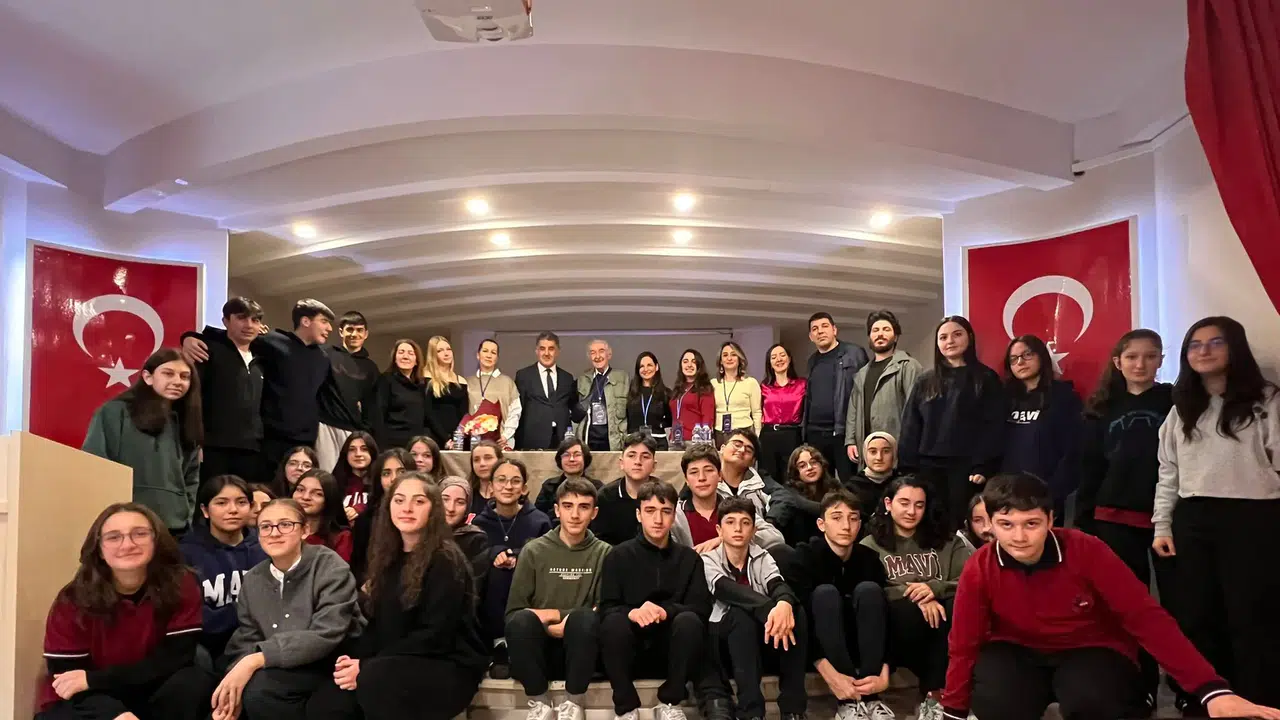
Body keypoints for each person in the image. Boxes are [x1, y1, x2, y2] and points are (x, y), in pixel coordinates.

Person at [941, 472, 1280, 720]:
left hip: (1088, 647)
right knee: (997, 701)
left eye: (1031, 524)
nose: (1019, 537)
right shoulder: (980, 566)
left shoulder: (1086, 550)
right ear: (990, 524)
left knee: (1094, 700)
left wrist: (1210, 690)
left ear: (1051, 519)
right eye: (1006, 524)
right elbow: (964, 643)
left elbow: (1146, 619)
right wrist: (953, 712)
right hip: (1017, 651)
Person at [1153, 316, 1280, 708]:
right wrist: (1162, 525)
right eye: (1195, 345)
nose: (1203, 351)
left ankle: (1258, 698)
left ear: (1235, 348)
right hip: (1193, 519)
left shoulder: (1267, 400)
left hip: (1254, 517)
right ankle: (1206, 695)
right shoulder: (1182, 409)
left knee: (1252, 613)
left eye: (1215, 342)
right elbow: (1168, 472)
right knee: (1197, 614)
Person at [308, 475, 490, 720]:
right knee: (326, 703)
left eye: (419, 501)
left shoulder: (446, 560)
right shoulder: (387, 557)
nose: (407, 508)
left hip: (446, 664)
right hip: (393, 659)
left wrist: (366, 666)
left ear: (433, 509)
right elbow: (378, 625)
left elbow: (435, 635)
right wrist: (355, 660)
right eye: (399, 500)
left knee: (375, 682)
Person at [37, 503, 212, 720]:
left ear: (156, 541)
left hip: (144, 685)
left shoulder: (181, 584)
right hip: (89, 698)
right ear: (99, 549)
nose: (127, 544)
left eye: (139, 534)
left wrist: (95, 679)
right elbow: (67, 680)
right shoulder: (73, 599)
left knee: (193, 682)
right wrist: (117, 714)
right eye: (113, 537)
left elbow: (175, 659)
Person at [1076, 329, 1173, 704]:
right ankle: (1139, 686)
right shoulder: (1101, 408)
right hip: (1113, 519)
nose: (1140, 364)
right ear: (1118, 362)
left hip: (1167, 520)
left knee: (1179, 605)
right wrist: (1085, 524)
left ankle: (1187, 686)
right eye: (1132, 356)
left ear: (1161, 360)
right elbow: (1090, 470)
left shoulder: (1175, 401)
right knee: (1127, 608)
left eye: (1150, 356)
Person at [213, 499, 364, 720]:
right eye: (266, 526)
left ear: (305, 530)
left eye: (285, 524)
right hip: (282, 668)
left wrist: (257, 659)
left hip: (335, 665)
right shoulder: (253, 579)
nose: (274, 533)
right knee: (239, 696)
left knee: (266, 692)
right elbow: (246, 638)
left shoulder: (330, 566)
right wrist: (235, 685)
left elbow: (326, 633)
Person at [598, 481, 713, 720]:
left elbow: (701, 608)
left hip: (673, 650)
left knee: (690, 621)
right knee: (612, 623)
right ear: (639, 515)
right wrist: (632, 613)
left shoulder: (689, 558)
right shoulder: (617, 556)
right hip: (631, 647)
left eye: (665, 511)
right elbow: (607, 607)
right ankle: (626, 707)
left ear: (674, 516)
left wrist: (664, 611)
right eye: (650, 511)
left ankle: (670, 702)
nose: (658, 519)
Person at [862, 475, 971, 720]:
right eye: (904, 503)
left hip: (944, 623)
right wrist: (917, 596)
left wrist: (935, 588)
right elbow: (869, 590)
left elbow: (970, 582)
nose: (912, 512)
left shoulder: (948, 541)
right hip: (901, 628)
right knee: (908, 611)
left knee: (956, 607)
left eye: (919, 505)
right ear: (888, 504)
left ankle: (935, 695)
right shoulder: (870, 544)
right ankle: (936, 693)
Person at [186, 299, 333, 477]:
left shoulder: (323, 359)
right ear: (306, 321)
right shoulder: (272, 342)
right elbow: (228, 337)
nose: (329, 328)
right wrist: (189, 337)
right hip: (264, 441)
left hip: (300, 441)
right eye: (324, 321)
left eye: (255, 320)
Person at [505, 477, 611, 720]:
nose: (575, 515)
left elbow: (602, 610)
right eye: (568, 506)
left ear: (594, 513)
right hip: (539, 651)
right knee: (520, 622)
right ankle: (540, 704)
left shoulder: (605, 553)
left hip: (583, 650)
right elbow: (514, 613)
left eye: (583, 507)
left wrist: (557, 617)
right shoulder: (533, 550)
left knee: (585, 619)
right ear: (556, 510)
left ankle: (574, 704)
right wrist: (555, 621)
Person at [782, 490, 893, 720]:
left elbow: (887, 617)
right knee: (825, 594)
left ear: (860, 524)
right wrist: (830, 674)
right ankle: (848, 703)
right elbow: (801, 622)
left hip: (863, 647)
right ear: (821, 524)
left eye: (853, 518)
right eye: (837, 517)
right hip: (820, 650)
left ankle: (870, 697)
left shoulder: (869, 559)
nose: (846, 526)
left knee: (869, 590)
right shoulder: (803, 557)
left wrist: (885, 672)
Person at [898, 315, 1005, 531]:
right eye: (943, 337)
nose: (950, 341)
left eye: (957, 334)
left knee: (961, 526)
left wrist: (983, 465)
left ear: (970, 337)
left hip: (967, 469)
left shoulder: (986, 378)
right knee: (929, 525)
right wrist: (907, 469)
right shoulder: (925, 380)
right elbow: (911, 425)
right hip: (927, 466)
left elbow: (994, 426)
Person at [704, 497, 807, 720]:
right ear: (719, 530)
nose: (738, 529)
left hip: (763, 638)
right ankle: (750, 713)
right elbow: (727, 590)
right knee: (741, 614)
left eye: (745, 523)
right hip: (722, 643)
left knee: (795, 612)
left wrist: (784, 603)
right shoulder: (708, 560)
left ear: (753, 530)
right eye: (730, 522)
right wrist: (772, 608)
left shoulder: (762, 556)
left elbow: (777, 584)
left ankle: (793, 709)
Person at [83, 348, 202, 535]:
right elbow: (95, 463)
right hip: (123, 523)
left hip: (174, 528)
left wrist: (186, 515)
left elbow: (191, 478)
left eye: (185, 376)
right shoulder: (114, 412)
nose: (177, 381)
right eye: (168, 373)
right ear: (148, 377)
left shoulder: (187, 421)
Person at [472, 458, 554, 675]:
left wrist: (519, 556)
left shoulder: (539, 521)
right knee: (496, 572)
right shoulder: (479, 523)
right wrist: (493, 554)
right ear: (490, 487)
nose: (508, 486)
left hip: (530, 591)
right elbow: (474, 559)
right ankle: (499, 643)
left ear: (524, 488)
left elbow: (547, 555)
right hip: (491, 598)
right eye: (501, 480)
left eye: (515, 481)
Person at [181, 476, 268, 662]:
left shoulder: (266, 547)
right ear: (205, 510)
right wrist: (246, 611)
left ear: (251, 507)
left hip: (258, 643)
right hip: (208, 645)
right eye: (221, 503)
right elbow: (195, 617)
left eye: (241, 502)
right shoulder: (187, 553)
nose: (233, 510)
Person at [999, 334, 1083, 525]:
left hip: (1047, 494)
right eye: (1014, 359)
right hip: (1006, 494)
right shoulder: (1004, 398)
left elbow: (1074, 450)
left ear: (1041, 357)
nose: (1020, 362)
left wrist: (1054, 491)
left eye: (1027, 355)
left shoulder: (1064, 397)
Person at [189, 297, 267, 484]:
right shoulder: (206, 351)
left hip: (252, 448)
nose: (249, 325)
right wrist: (197, 441)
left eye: (255, 320)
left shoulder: (264, 358)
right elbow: (193, 398)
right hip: (213, 446)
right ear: (225, 321)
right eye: (241, 318)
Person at [844, 310, 921, 470]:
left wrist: (910, 445)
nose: (880, 334)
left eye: (886, 329)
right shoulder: (862, 373)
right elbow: (853, 409)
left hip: (897, 451)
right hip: (869, 452)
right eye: (875, 330)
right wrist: (850, 440)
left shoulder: (908, 366)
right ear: (869, 337)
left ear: (896, 336)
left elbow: (916, 409)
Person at [803, 312, 869, 484]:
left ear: (834, 330)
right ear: (811, 336)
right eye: (815, 329)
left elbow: (865, 393)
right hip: (815, 434)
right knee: (821, 485)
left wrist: (854, 435)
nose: (820, 331)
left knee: (851, 484)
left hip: (842, 433)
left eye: (824, 326)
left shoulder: (853, 354)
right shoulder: (812, 361)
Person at [316, 311, 379, 473]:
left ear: (366, 334)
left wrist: (365, 431)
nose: (354, 334)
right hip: (326, 426)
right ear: (341, 332)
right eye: (350, 329)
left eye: (359, 330)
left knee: (352, 475)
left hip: (354, 430)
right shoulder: (325, 354)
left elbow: (372, 405)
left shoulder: (371, 367)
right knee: (326, 474)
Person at [350, 448, 415, 583]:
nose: (394, 479)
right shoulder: (366, 519)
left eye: (402, 472)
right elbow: (357, 565)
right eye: (386, 473)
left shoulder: (422, 514)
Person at [716, 429, 786, 549]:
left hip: (757, 549)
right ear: (722, 448)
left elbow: (784, 498)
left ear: (753, 461)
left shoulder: (761, 482)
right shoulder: (707, 482)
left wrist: (770, 521)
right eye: (737, 444)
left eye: (748, 450)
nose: (742, 450)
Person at [514, 332, 584, 450]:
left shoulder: (567, 378)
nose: (546, 353)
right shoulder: (524, 376)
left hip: (562, 441)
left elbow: (573, 407)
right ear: (536, 351)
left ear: (558, 351)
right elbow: (518, 410)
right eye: (542, 349)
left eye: (551, 349)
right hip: (532, 441)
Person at [592, 432, 662, 545]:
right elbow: (600, 541)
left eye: (645, 457)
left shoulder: (664, 495)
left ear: (654, 465)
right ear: (621, 463)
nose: (638, 462)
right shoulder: (605, 496)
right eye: (631, 456)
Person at [767, 444, 840, 546]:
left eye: (813, 462)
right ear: (796, 471)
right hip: (802, 544)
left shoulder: (834, 485)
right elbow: (805, 505)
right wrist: (835, 509)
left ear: (821, 464)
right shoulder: (788, 490)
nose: (810, 468)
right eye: (802, 466)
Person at [759, 343, 807, 484]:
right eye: (774, 357)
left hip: (792, 435)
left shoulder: (802, 384)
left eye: (782, 355)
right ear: (769, 363)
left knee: (792, 478)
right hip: (768, 436)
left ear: (789, 358)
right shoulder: (763, 387)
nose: (779, 359)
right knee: (768, 478)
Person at [369, 339, 427, 452]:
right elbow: (378, 416)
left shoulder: (422, 385)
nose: (405, 356)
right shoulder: (385, 380)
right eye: (401, 352)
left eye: (410, 353)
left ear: (416, 361)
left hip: (415, 445)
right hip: (391, 445)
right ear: (395, 359)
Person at [575, 338, 629, 451]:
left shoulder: (622, 378)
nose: (597, 356)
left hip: (614, 441)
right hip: (588, 441)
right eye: (593, 352)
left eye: (601, 351)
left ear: (609, 354)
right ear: (589, 357)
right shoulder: (582, 380)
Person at [441, 475, 493, 588]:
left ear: (467, 507)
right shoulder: (421, 534)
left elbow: (474, 585)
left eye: (460, 502)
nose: (451, 508)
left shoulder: (475, 540)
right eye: (445, 499)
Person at [470, 338, 522, 450]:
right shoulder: (468, 382)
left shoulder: (507, 382)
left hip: (501, 441)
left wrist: (506, 435)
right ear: (478, 355)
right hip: (474, 441)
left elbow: (515, 411)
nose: (489, 355)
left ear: (497, 358)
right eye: (485, 351)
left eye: (493, 353)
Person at [533, 436, 602, 520]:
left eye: (577, 455)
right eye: (566, 455)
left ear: (585, 458)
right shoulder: (549, 485)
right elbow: (538, 517)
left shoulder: (597, 487)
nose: (571, 459)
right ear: (560, 459)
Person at [292, 469, 353, 562]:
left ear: (329, 499)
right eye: (300, 490)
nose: (305, 497)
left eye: (317, 494)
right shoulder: (279, 529)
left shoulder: (341, 537)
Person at [423, 335, 470, 447]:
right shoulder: (425, 377)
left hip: (457, 439)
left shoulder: (461, 381)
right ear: (433, 355)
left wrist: (457, 438)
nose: (446, 353)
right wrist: (445, 438)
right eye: (440, 350)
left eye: (448, 349)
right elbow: (428, 412)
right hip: (433, 437)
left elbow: (464, 414)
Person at [711, 340, 763, 437]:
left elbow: (757, 413)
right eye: (725, 355)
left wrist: (758, 435)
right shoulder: (713, 384)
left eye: (733, 354)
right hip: (719, 433)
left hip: (744, 432)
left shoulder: (750, 382)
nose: (729, 358)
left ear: (739, 359)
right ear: (720, 361)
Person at [626, 351, 673, 450]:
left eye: (649, 365)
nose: (646, 369)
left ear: (656, 367)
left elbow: (670, 420)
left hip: (658, 443)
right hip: (634, 443)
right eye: (642, 366)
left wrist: (659, 425)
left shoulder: (666, 393)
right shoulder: (629, 392)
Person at [670, 348, 717, 447]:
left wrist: (702, 444)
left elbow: (708, 418)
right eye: (685, 361)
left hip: (695, 442)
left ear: (699, 366)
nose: (689, 365)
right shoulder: (678, 389)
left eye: (694, 362)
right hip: (675, 440)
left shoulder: (704, 388)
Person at [848, 432, 898, 514]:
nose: (879, 457)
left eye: (886, 451)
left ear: (894, 453)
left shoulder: (902, 485)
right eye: (873, 452)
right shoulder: (852, 487)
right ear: (865, 454)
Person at [332, 431, 377, 522]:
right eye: (352, 450)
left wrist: (360, 508)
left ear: (372, 453)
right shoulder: (334, 483)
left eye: (364, 449)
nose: (358, 454)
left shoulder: (381, 482)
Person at [467, 439, 505, 515]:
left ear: (499, 460)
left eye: (488, 458)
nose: (482, 464)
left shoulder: (510, 493)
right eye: (476, 460)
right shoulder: (466, 494)